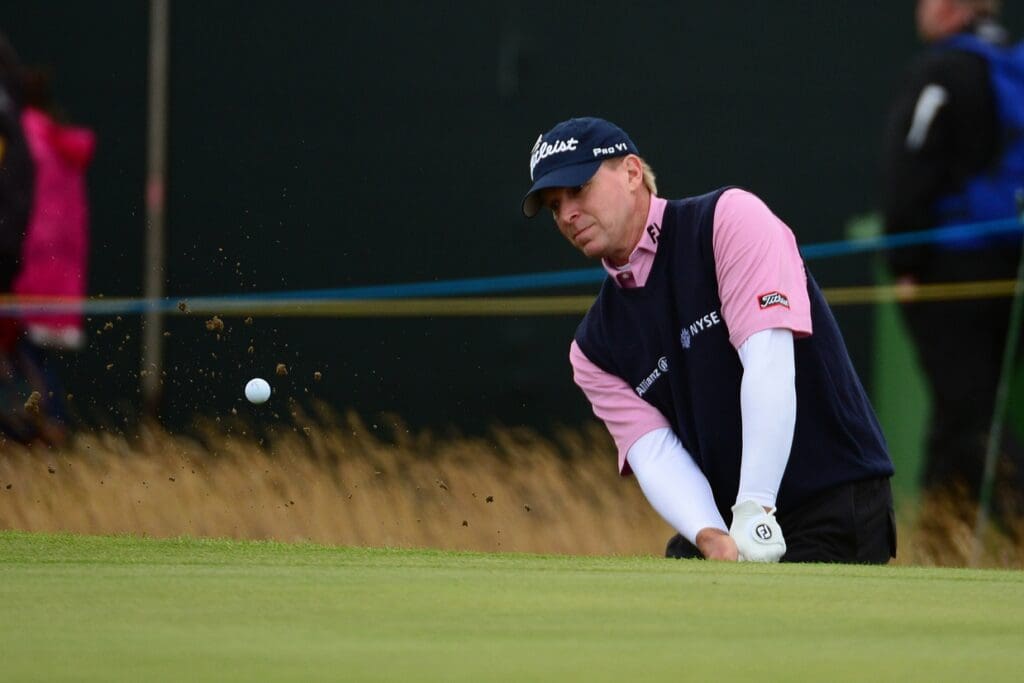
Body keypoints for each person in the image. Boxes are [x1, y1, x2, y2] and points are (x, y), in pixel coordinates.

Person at [522, 117, 896, 563]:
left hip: (832, 498)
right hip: (730, 521)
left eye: (578, 189)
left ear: (632, 172)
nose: (567, 214)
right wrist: (712, 538)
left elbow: (769, 362)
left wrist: (755, 507)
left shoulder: (729, 221)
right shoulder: (593, 349)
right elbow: (656, 454)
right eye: (553, 206)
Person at [882, 0, 1024, 525]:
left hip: (952, 269)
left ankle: (1008, 534)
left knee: (969, 414)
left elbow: (909, 170)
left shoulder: (942, 71)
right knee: (962, 408)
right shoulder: (1012, 62)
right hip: (1013, 265)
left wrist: (905, 262)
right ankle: (941, 542)